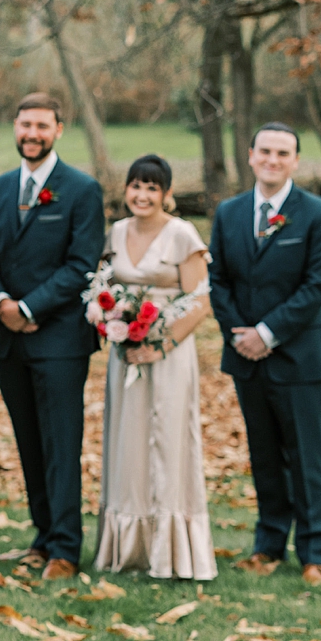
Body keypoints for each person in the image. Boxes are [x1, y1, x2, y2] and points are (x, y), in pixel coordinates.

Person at [208, 123, 321, 584]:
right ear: (250, 155)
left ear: (295, 161)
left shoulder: (318, 214)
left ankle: (314, 553)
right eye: (265, 151)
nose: (272, 159)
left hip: (300, 358)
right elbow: (218, 280)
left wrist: (267, 333)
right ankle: (268, 546)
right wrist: (239, 335)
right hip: (245, 357)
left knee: (307, 459)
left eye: (283, 153)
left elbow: (317, 284)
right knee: (264, 456)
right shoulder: (229, 213)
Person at [0, 93, 103, 581]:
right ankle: (42, 535)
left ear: (58, 129)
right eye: (24, 124)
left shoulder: (82, 189)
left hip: (60, 340)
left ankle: (66, 549)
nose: (31, 133)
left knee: (60, 443)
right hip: (9, 338)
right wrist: (5, 302)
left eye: (41, 125)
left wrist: (30, 307)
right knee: (28, 444)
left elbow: (82, 264)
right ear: (15, 126)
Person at [90, 154, 216, 580]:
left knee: (168, 438)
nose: (142, 195)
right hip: (125, 351)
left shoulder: (182, 235)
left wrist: (161, 346)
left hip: (169, 353)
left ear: (167, 194)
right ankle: (128, 548)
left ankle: (170, 548)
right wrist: (108, 320)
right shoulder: (117, 231)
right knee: (127, 438)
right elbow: (105, 287)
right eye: (135, 186)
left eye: (152, 188)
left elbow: (200, 300)